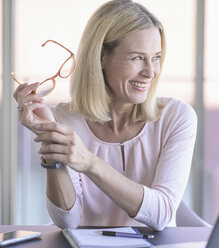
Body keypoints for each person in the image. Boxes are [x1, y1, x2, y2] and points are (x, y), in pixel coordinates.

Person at [13, 0, 197, 231]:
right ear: (101, 57)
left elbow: (162, 214)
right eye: (137, 57)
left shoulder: (176, 117)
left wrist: (89, 162)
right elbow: (68, 221)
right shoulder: (62, 119)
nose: (150, 71)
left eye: (156, 57)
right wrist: (51, 138)